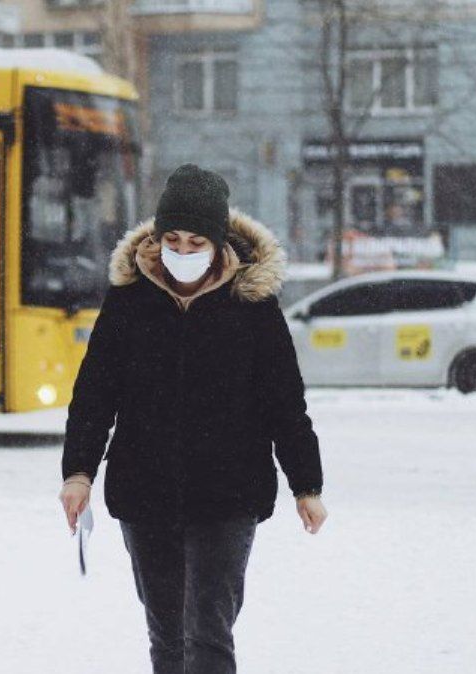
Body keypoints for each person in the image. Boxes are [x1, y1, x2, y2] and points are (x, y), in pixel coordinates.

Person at [58, 164, 327, 674]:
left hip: (229, 492)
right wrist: (78, 473)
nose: (182, 252)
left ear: (218, 243)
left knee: (207, 632)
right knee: (166, 635)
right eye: (172, 240)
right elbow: (94, 393)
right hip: (145, 490)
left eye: (195, 241)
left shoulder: (252, 304)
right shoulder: (130, 300)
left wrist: (306, 484)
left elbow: (285, 403)